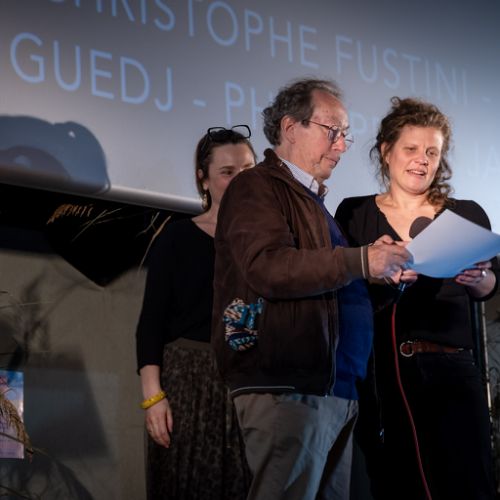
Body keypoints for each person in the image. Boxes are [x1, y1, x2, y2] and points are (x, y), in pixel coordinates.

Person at [211, 77, 412, 500]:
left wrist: (384, 279)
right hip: (289, 387)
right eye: (332, 131)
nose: (341, 146)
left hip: (334, 389)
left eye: (345, 135)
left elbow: (331, 294)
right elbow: (268, 267)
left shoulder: (316, 206)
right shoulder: (255, 186)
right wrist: (362, 260)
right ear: (290, 127)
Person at [335, 97, 499, 500]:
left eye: (432, 152)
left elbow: (489, 287)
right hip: (383, 376)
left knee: (468, 482)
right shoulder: (355, 213)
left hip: (453, 371)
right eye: (411, 148)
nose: (421, 160)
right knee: (397, 483)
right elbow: (341, 285)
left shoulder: (466, 214)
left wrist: (479, 278)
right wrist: (377, 271)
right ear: (386, 151)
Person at [135, 125, 257, 500]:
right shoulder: (178, 237)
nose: (240, 181)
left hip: (250, 381)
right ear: (203, 179)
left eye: (248, 170)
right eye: (227, 172)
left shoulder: (271, 244)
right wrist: (153, 398)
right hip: (190, 379)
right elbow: (150, 324)